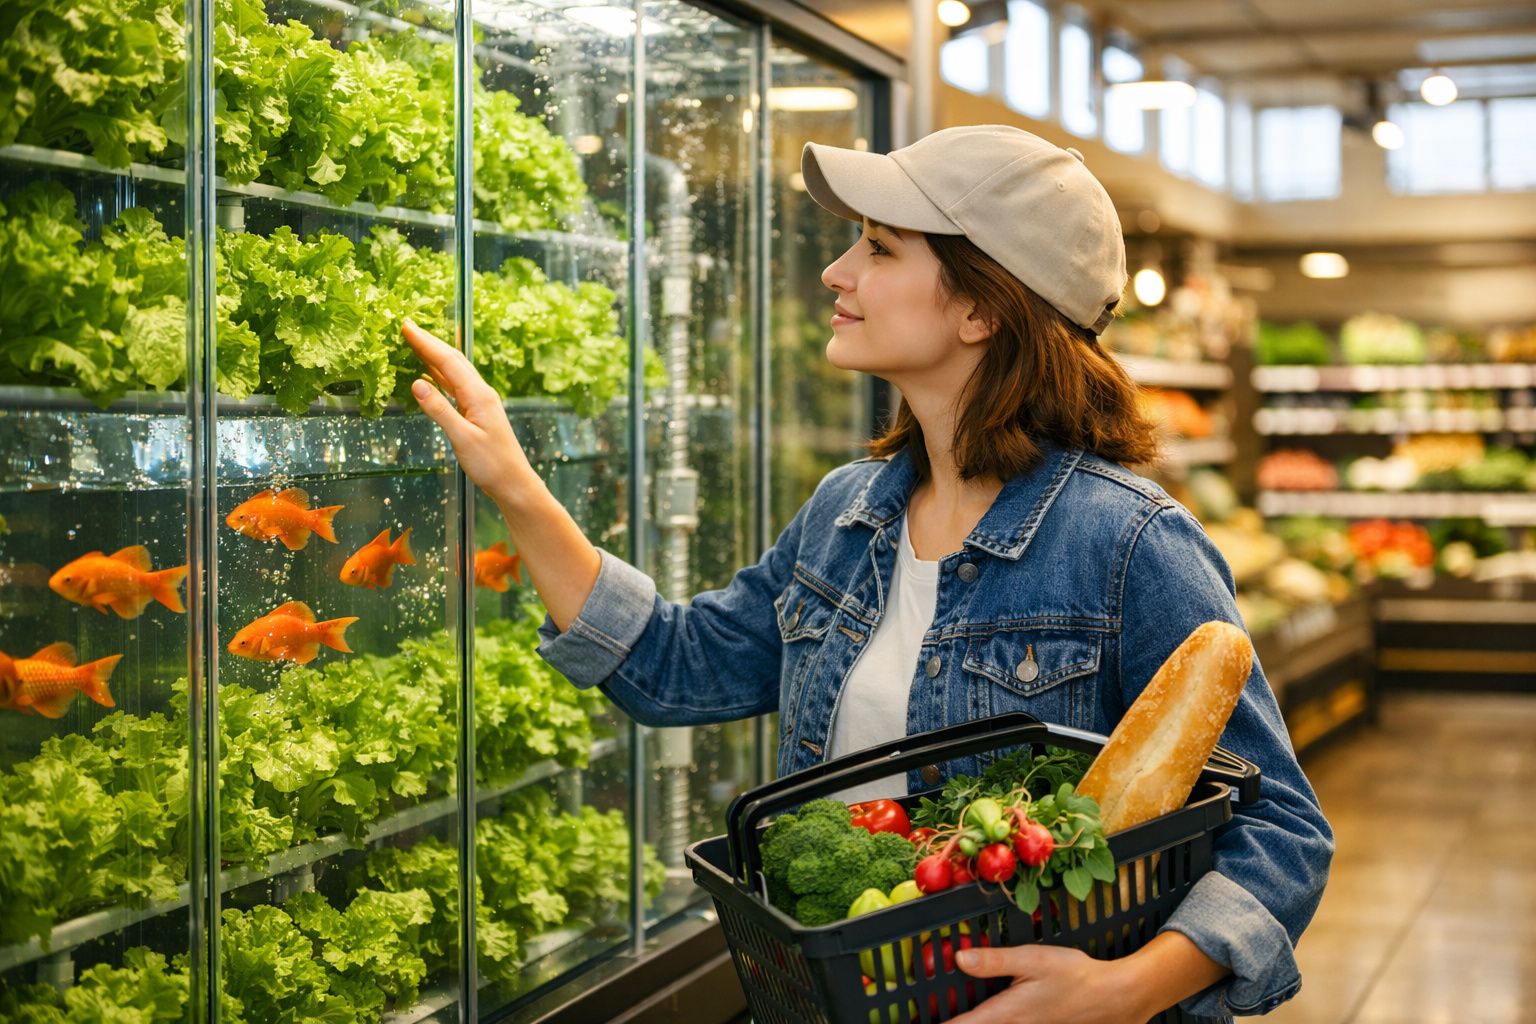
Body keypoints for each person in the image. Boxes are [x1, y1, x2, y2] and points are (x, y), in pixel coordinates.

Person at [403, 124, 1332, 1024]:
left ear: (982, 308)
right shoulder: (849, 514)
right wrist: (514, 484)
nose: (837, 272)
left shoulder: (1129, 544)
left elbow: (1282, 830)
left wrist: (1122, 992)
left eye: (881, 249)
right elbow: (672, 667)